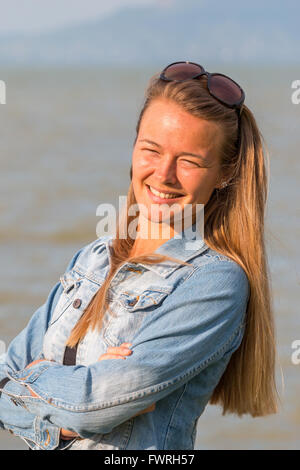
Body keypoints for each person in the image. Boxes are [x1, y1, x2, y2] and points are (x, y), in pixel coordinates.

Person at [0, 61, 279, 450]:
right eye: (151, 150)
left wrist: (35, 381)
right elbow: (2, 381)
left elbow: (88, 407)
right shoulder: (93, 258)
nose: (164, 175)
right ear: (134, 148)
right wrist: (65, 409)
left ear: (224, 173)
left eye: (189, 161)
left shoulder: (215, 281)